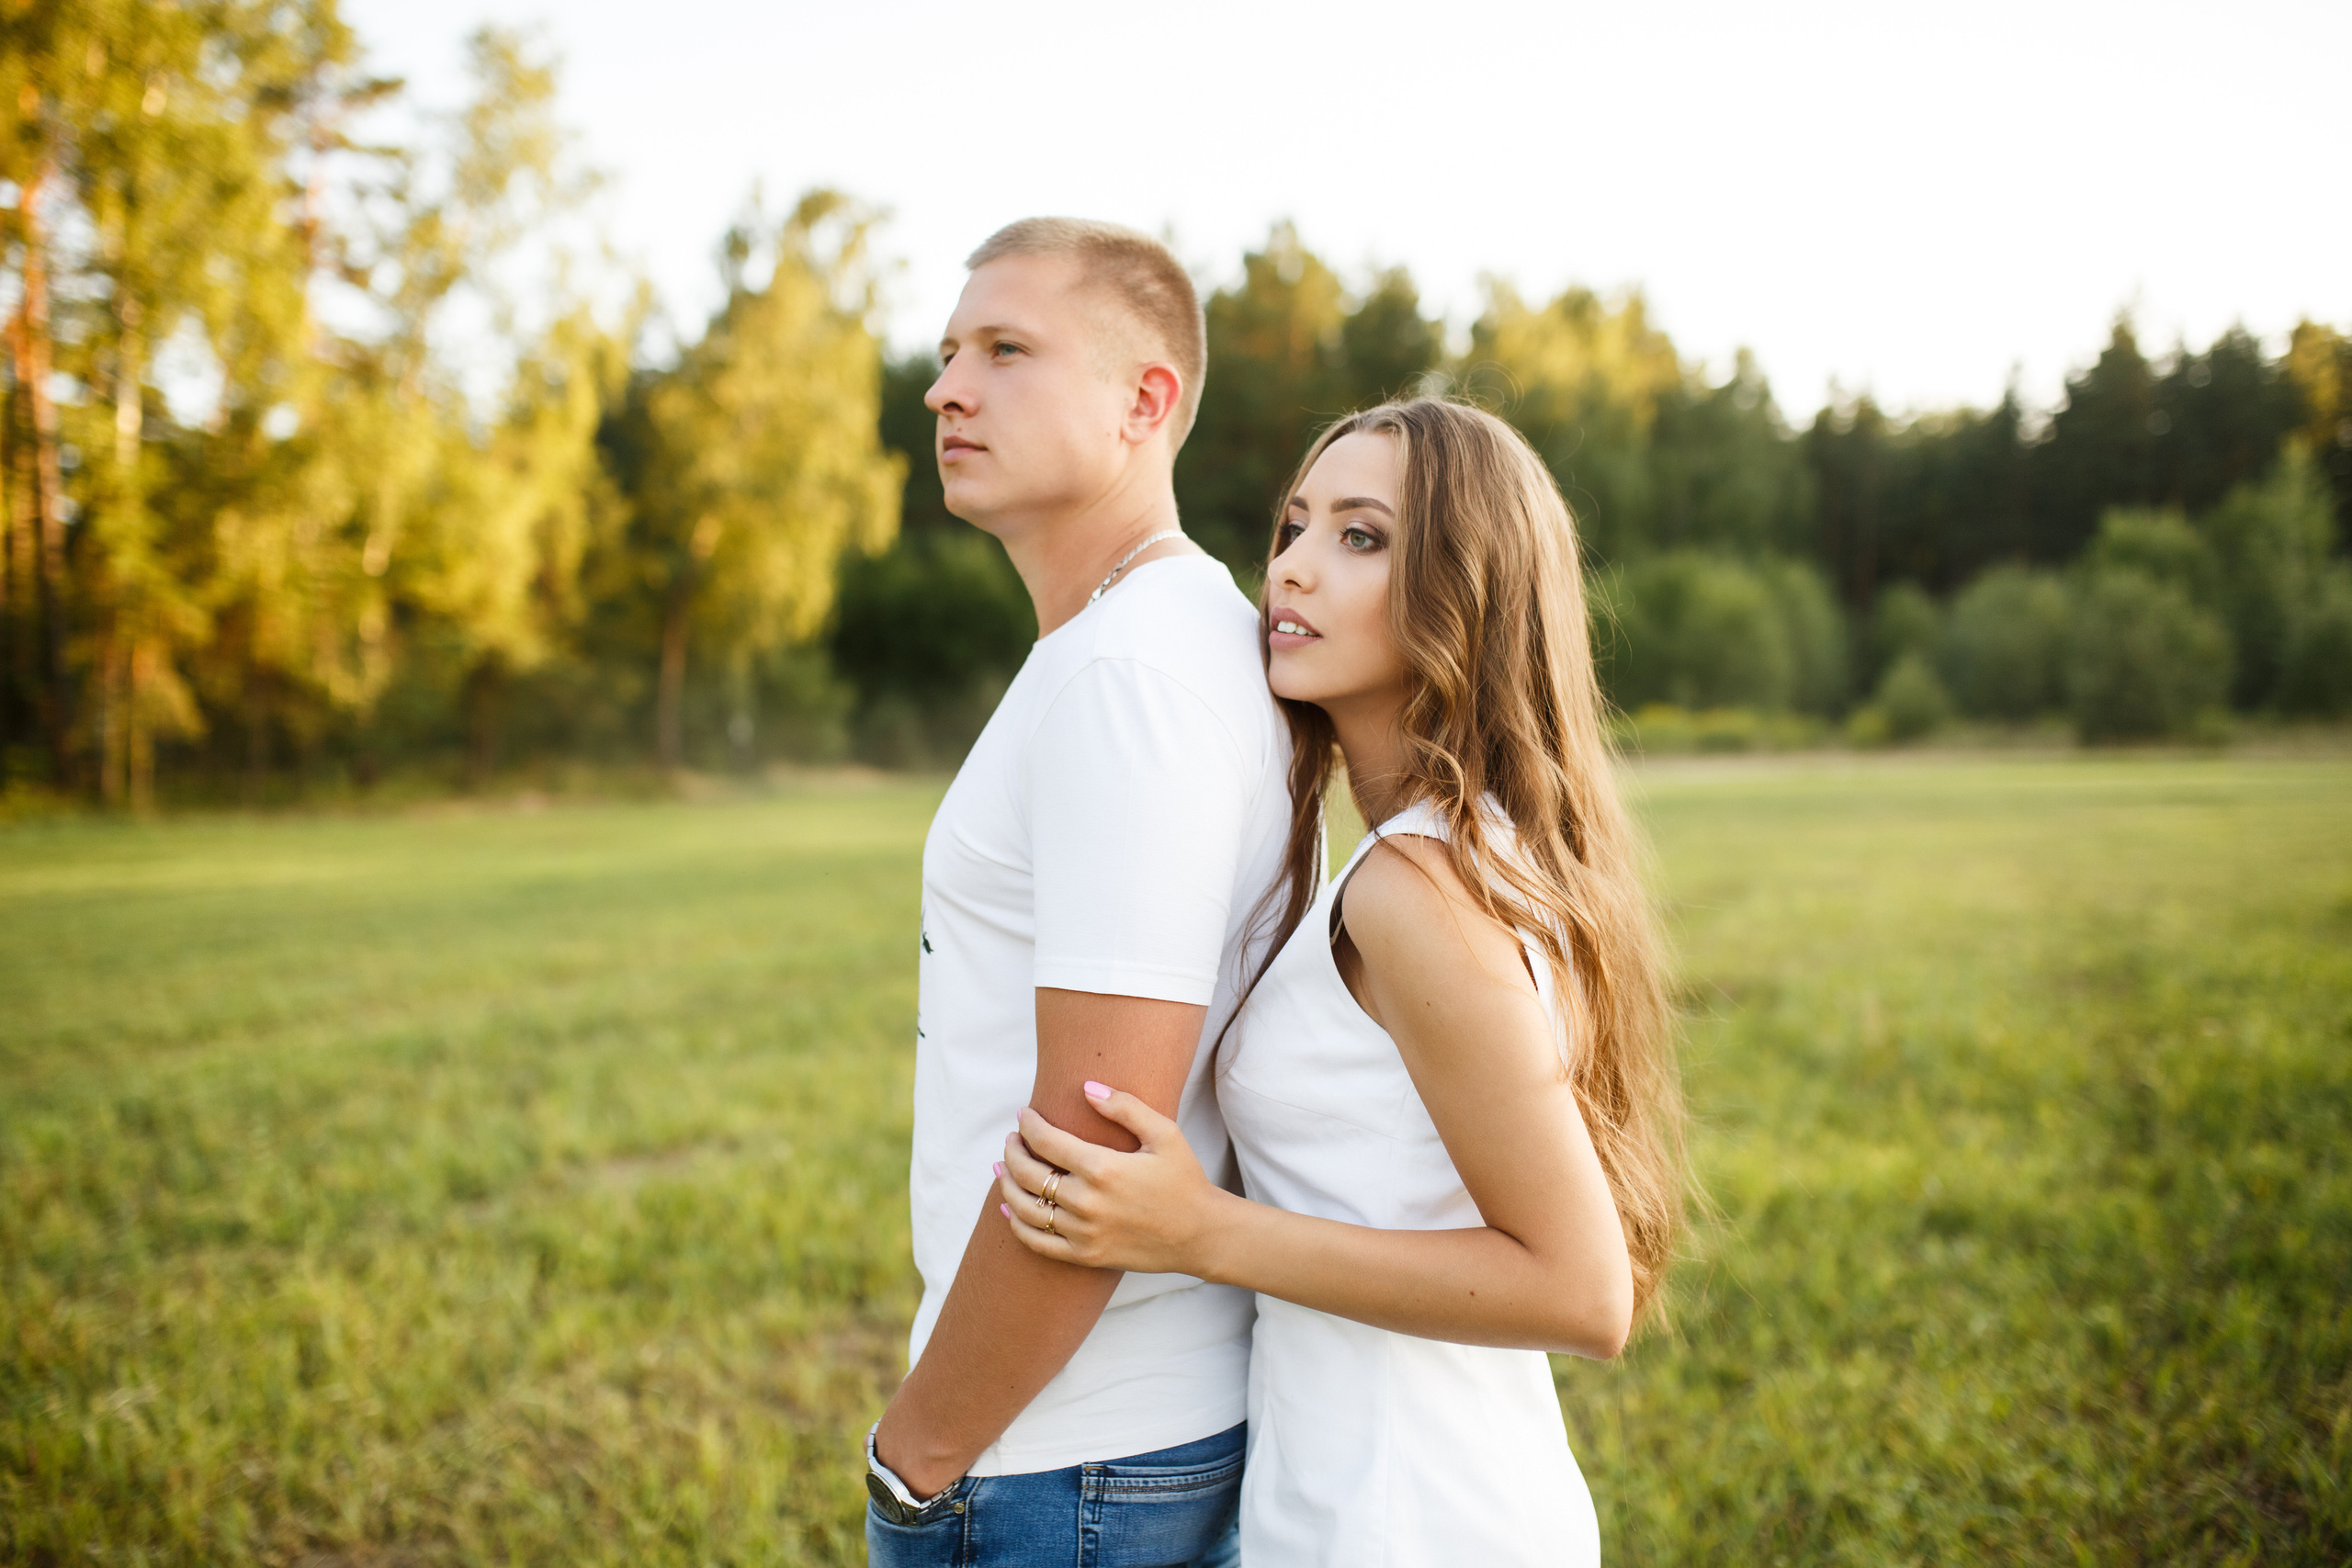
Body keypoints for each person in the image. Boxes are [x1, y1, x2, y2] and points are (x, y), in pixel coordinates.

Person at [994, 399, 1687, 1565]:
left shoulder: (1415, 891)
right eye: (1294, 527)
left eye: (1360, 538)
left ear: (1465, 594)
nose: (1294, 571)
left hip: (1409, 1522)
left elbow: (1581, 1290)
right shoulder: (1460, 852)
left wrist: (1201, 1230)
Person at [864, 218, 1289, 1567]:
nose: (945, 388)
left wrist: (920, 1455)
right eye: (945, 354)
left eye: (1005, 349)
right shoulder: (1152, 640)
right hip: (1118, 1440)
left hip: (1065, 1457)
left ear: (1145, 399)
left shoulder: (1131, 677)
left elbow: (1092, 1141)